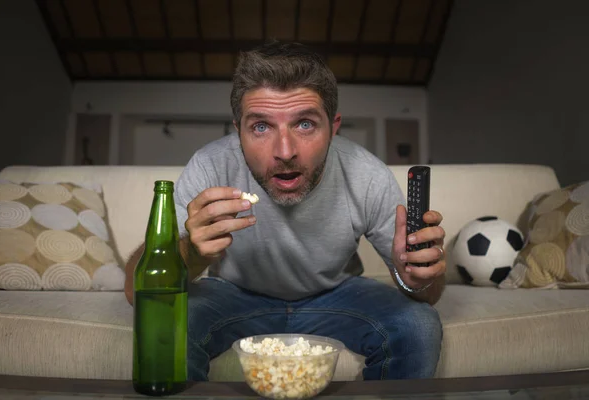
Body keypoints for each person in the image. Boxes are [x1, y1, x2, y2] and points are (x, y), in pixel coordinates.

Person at [124, 41, 447, 381]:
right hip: (233, 295)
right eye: (261, 127)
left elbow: (427, 292)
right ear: (238, 131)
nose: (285, 151)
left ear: (333, 127)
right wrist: (192, 252)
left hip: (337, 294)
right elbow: (136, 290)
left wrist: (417, 277)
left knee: (418, 326)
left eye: (305, 124)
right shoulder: (210, 167)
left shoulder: (367, 174)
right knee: (165, 321)